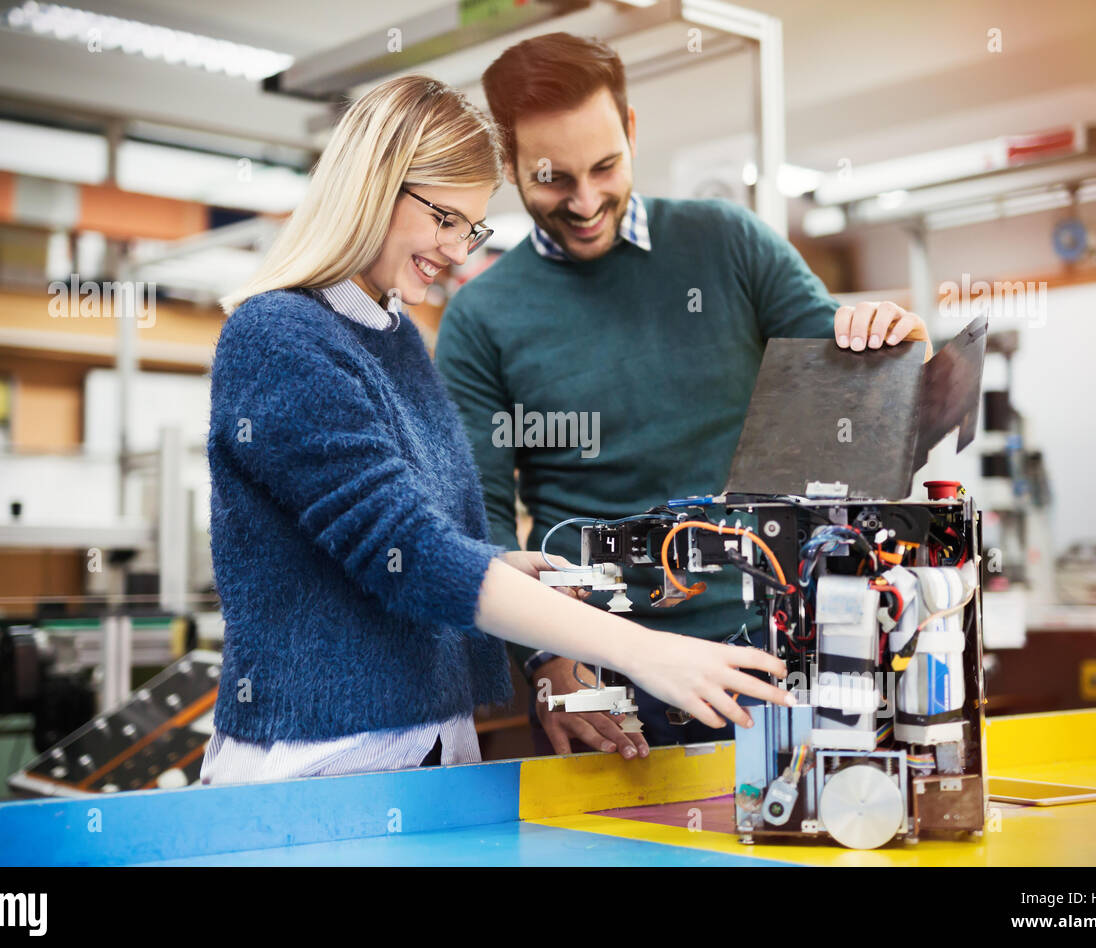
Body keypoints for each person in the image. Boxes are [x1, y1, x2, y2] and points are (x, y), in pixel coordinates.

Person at [200, 74, 793, 784]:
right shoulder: (277, 337)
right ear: (375, 186)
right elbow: (405, 552)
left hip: (427, 751)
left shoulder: (395, 337)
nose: (458, 252)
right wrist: (642, 651)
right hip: (317, 766)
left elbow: (424, 538)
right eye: (445, 219)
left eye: (471, 227)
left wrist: (500, 566)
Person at [435, 33, 932, 760]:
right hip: (603, 679)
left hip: (773, 650)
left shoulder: (726, 242)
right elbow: (478, 518)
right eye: (552, 179)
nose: (585, 201)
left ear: (632, 130)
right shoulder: (482, 317)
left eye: (605, 166)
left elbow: (846, 388)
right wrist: (546, 664)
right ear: (509, 165)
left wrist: (894, 345)